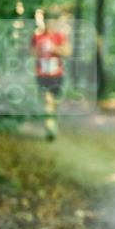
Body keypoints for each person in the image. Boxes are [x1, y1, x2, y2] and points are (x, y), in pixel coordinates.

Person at [31, 8, 71, 140]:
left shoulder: (59, 36)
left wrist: (54, 48)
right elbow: (32, 53)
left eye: (52, 21)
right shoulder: (37, 36)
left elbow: (67, 52)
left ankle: (52, 122)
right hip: (42, 74)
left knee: (53, 102)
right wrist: (40, 51)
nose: (50, 24)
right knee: (47, 101)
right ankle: (50, 127)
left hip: (57, 75)